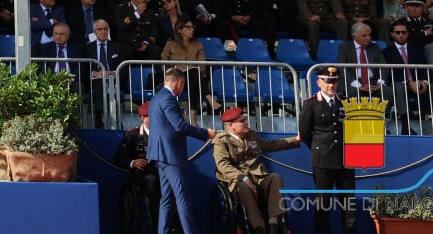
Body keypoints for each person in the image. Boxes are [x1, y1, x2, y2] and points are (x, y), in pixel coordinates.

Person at [150, 65, 218, 234]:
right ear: (180, 83)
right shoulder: (168, 99)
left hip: (161, 155)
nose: (183, 88)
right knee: (183, 198)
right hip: (171, 155)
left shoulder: (157, 97)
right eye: (184, 84)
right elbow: (179, 126)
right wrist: (206, 133)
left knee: (167, 199)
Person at [213, 106, 300, 234]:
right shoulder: (221, 141)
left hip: (257, 176)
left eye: (245, 119)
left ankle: (273, 224)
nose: (246, 122)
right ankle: (259, 228)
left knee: (275, 178)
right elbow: (223, 165)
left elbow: (271, 145)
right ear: (231, 125)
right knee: (244, 187)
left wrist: (295, 140)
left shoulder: (251, 136)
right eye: (242, 121)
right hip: (237, 180)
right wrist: (243, 177)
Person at [299, 66, 354, 234]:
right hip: (323, 160)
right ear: (319, 82)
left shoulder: (346, 101)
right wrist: (319, 148)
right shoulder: (311, 104)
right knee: (323, 204)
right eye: (327, 81)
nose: (331, 85)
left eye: (334, 81)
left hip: (345, 160)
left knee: (348, 204)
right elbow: (305, 133)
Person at [114, 101, 161, 233]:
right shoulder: (132, 135)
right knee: (152, 180)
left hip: (163, 171)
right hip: (142, 175)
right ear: (143, 117)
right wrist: (133, 162)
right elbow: (118, 158)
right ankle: (156, 222)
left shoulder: (164, 133)